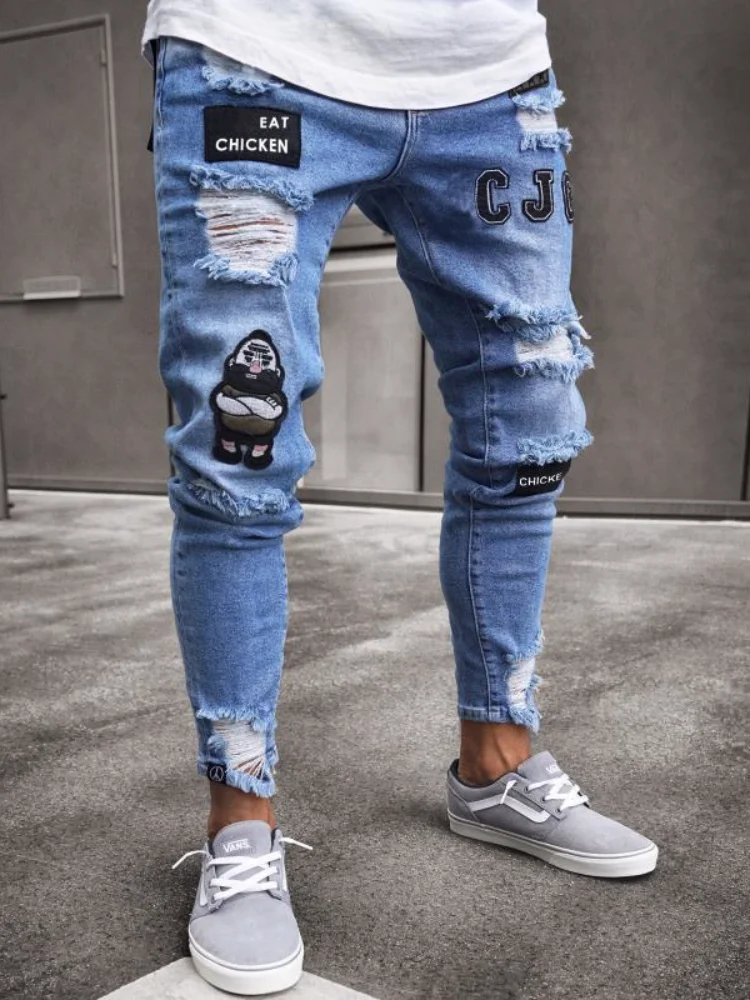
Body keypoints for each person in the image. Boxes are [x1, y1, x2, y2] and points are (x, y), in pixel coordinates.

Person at [144, 1, 658, 993]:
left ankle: (498, 767)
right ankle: (240, 822)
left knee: (529, 432)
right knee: (239, 447)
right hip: (257, 51)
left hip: (487, 71)